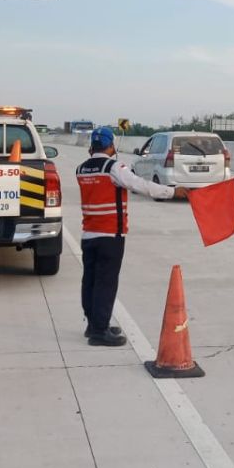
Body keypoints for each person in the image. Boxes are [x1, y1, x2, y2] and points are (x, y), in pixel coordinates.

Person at [76, 126, 186, 346]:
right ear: (110, 146)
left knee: (90, 281)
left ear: (92, 146)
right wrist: (173, 191)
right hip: (110, 235)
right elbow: (140, 185)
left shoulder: (81, 169)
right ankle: (100, 332)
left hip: (89, 234)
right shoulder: (113, 167)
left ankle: (94, 324)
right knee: (106, 283)